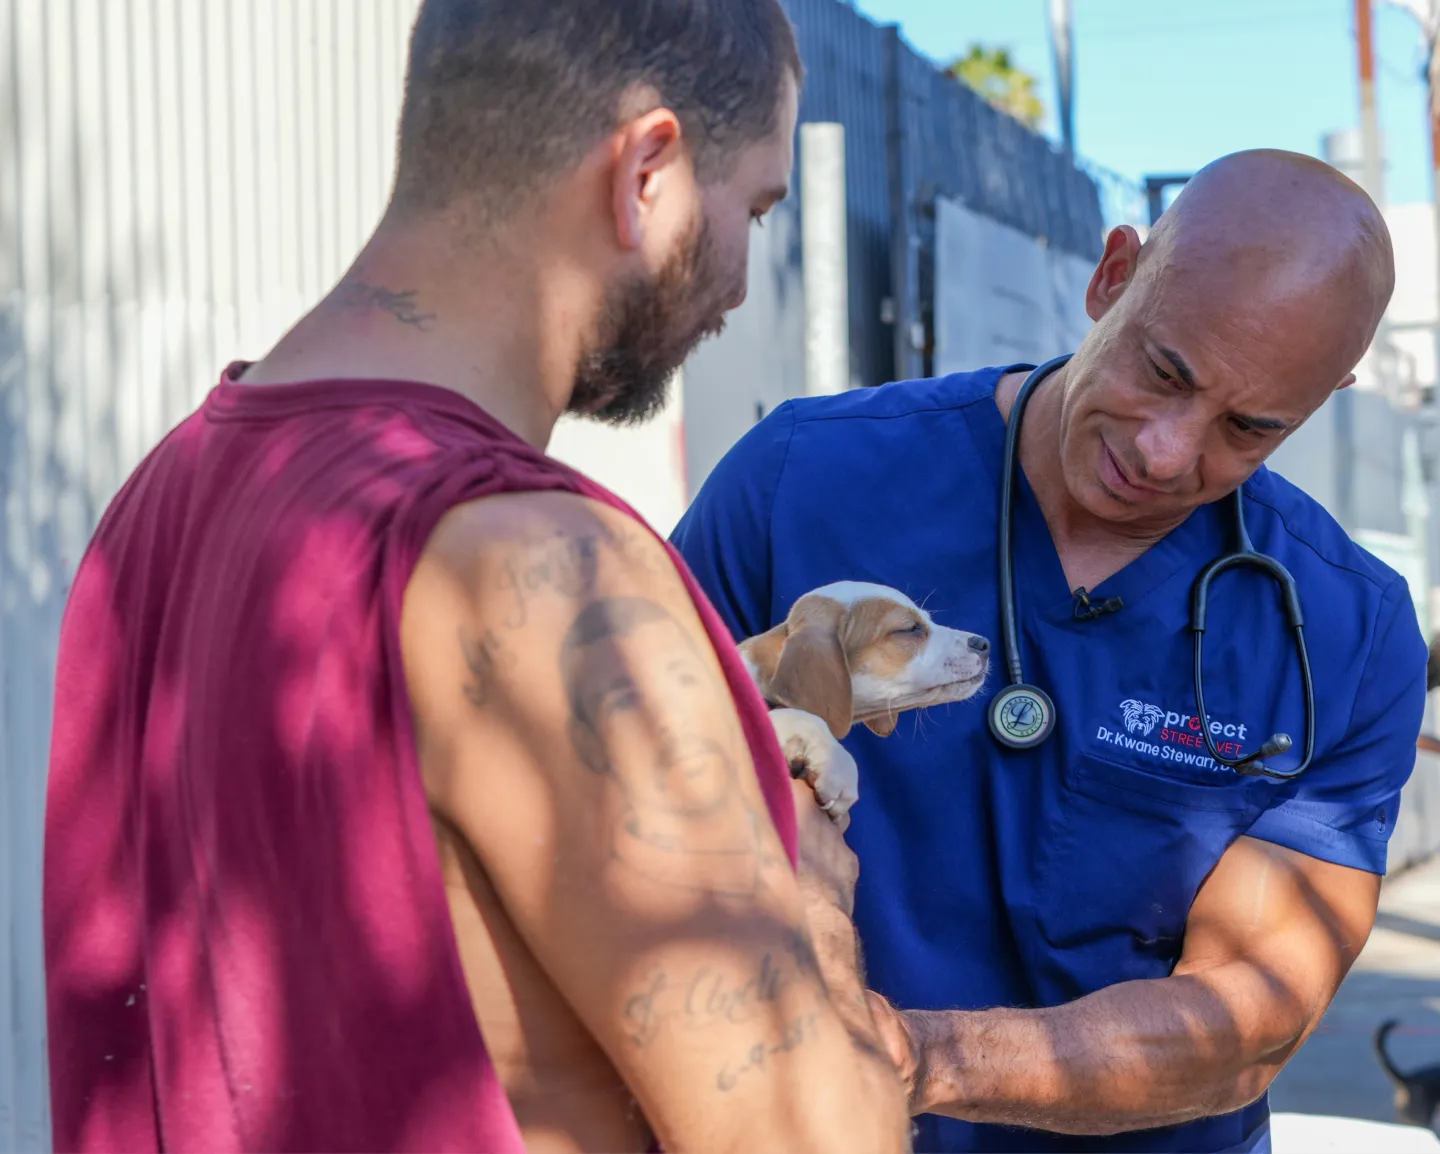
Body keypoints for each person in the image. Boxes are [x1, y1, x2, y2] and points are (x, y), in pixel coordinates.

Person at [42, 2, 912, 1151]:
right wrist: (804, 890)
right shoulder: (548, 568)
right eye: (752, 205)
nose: (746, 280)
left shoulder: (154, 504)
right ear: (647, 169)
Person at [672, 149, 1428, 1153]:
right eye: (1164, 370)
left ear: (1319, 402)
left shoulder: (1345, 631)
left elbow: (1245, 1020)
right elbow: (624, 803)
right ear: (1114, 274)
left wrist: (904, 1056)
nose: (1166, 452)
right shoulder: (801, 479)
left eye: (1246, 428)